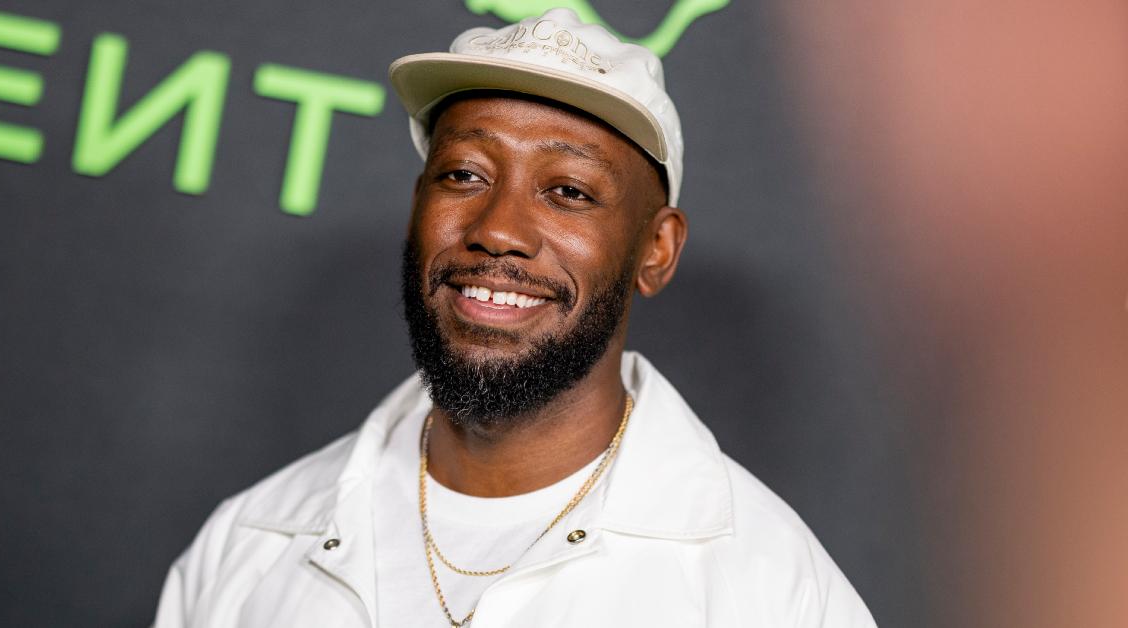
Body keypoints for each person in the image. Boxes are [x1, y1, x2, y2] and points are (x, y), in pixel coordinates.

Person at [153, 8, 876, 628]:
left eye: (567, 191)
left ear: (656, 249)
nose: (498, 229)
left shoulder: (770, 593)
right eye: (464, 175)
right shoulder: (250, 542)